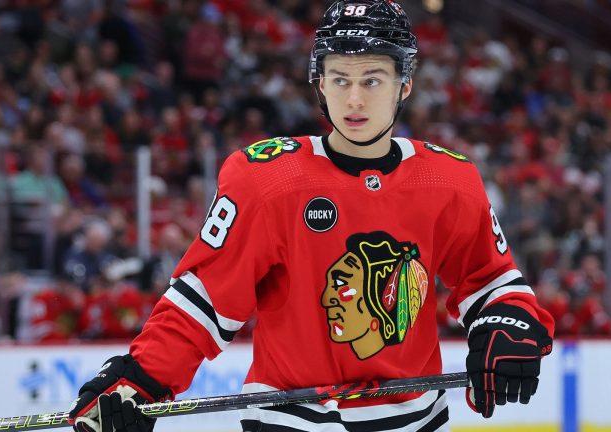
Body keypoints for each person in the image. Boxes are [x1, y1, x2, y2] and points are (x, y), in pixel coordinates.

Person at [68, 1, 555, 431]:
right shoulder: (265, 179)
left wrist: (507, 323)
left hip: (413, 420)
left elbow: (491, 280)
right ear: (319, 82)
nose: (355, 99)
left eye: (373, 79)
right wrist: (141, 379)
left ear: (404, 85)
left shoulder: (449, 179)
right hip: (289, 421)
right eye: (340, 79)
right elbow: (204, 303)